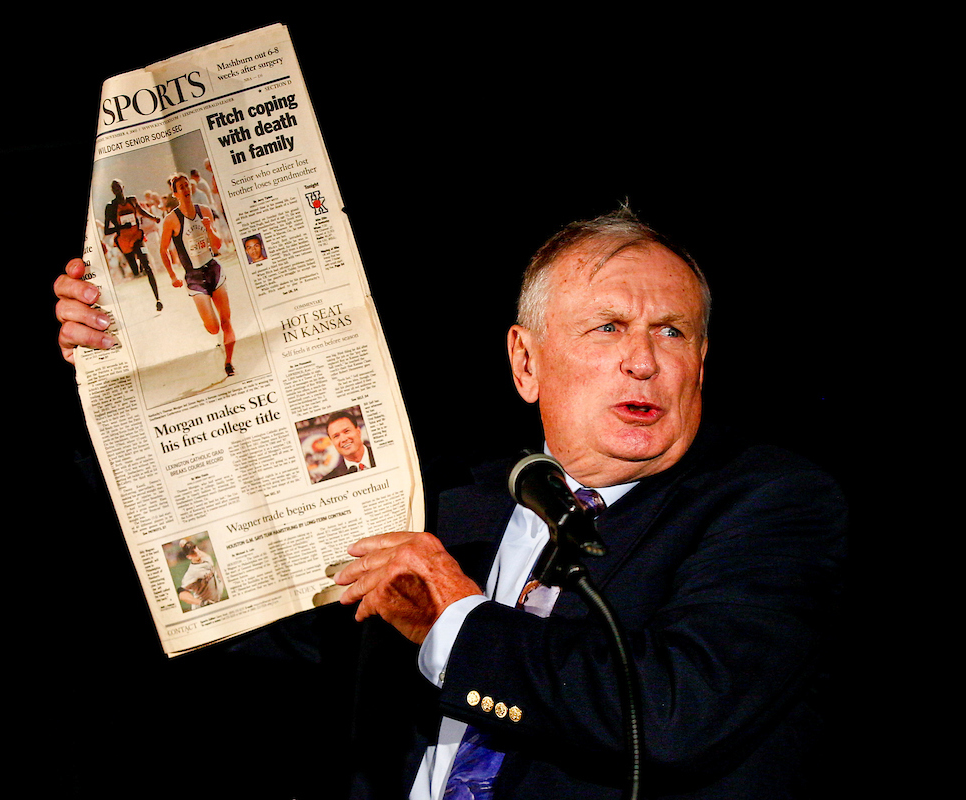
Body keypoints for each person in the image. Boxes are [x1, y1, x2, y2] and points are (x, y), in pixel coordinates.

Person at [54, 208, 846, 798]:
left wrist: (454, 619)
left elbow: (675, 714)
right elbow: (247, 606)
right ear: (525, 363)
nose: (642, 360)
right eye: (607, 328)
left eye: (671, 332)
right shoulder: (443, 502)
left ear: (701, 362)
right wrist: (124, 387)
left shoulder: (774, 505)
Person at [159, 173, 237, 378]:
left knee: (226, 321)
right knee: (213, 328)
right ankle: (214, 334)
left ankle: (229, 363)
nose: (186, 189)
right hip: (194, 278)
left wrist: (209, 228)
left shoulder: (204, 211)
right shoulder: (171, 220)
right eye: (181, 187)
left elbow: (217, 245)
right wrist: (172, 276)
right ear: (175, 193)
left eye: (187, 185)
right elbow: (163, 250)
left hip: (213, 269)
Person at [102, 179, 164, 312]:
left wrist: (154, 218)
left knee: (147, 266)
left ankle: (158, 299)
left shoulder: (132, 200)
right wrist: (122, 226)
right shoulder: (111, 207)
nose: (117, 190)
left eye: (119, 187)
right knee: (135, 272)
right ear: (112, 191)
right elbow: (107, 230)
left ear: (123, 187)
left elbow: (141, 212)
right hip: (123, 242)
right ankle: (138, 267)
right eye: (114, 188)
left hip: (137, 237)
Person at [319, 411, 375, 480]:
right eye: (336, 436)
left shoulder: (384, 454)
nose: (343, 439)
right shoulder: (328, 480)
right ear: (332, 442)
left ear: (358, 432)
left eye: (346, 431)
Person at [177, 538, 223, 608]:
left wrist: (185, 544)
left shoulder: (206, 558)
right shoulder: (192, 572)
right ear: (189, 557)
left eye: (195, 547)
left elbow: (199, 553)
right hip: (203, 607)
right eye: (192, 552)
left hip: (215, 602)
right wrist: (201, 602)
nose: (196, 551)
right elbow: (182, 595)